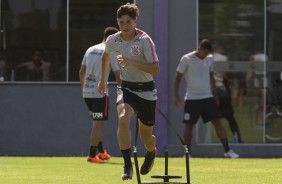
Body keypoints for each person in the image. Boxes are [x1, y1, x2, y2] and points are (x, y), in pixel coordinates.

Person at [98, 3, 160, 180]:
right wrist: (102, 80)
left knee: (147, 138)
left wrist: (131, 62)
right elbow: (105, 57)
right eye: (121, 22)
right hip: (126, 88)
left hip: (147, 91)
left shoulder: (144, 40)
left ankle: (150, 152)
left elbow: (156, 70)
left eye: (128, 22)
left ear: (135, 21)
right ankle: (127, 165)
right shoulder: (113, 40)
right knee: (123, 118)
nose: (124, 26)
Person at [174, 39, 239, 158]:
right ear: (200, 49)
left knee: (217, 122)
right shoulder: (186, 59)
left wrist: (215, 95)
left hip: (207, 97)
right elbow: (178, 77)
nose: (207, 55)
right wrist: (176, 95)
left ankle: (227, 150)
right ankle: (187, 153)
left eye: (209, 53)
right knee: (189, 125)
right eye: (206, 52)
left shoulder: (209, 59)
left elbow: (211, 78)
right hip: (192, 98)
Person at [79, 27, 121, 163]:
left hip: (87, 93)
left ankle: (101, 151)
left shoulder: (90, 49)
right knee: (98, 124)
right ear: (112, 38)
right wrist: (124, 88)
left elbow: (81, 71)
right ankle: (92, 155)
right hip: (100, 93)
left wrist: (84, 87)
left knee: (98, 122)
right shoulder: (110, 51)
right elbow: (117, 73)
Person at [213, 46, 243, 143]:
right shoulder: (223, 58)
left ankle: (222, 142)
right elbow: (224, 75)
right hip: (221, 90)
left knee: (214, 119)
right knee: (230, 118)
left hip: (211, 91)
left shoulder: (207, 58)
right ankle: (238, 139)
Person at [246, 49, 268, 125]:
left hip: (258, 83)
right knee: (262, 102)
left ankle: (259, 120)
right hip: (263, 82)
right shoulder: (265, 57)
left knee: (259, 102)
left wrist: (248, 80)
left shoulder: (254, 57)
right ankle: (262, 120)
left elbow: (250, 71)